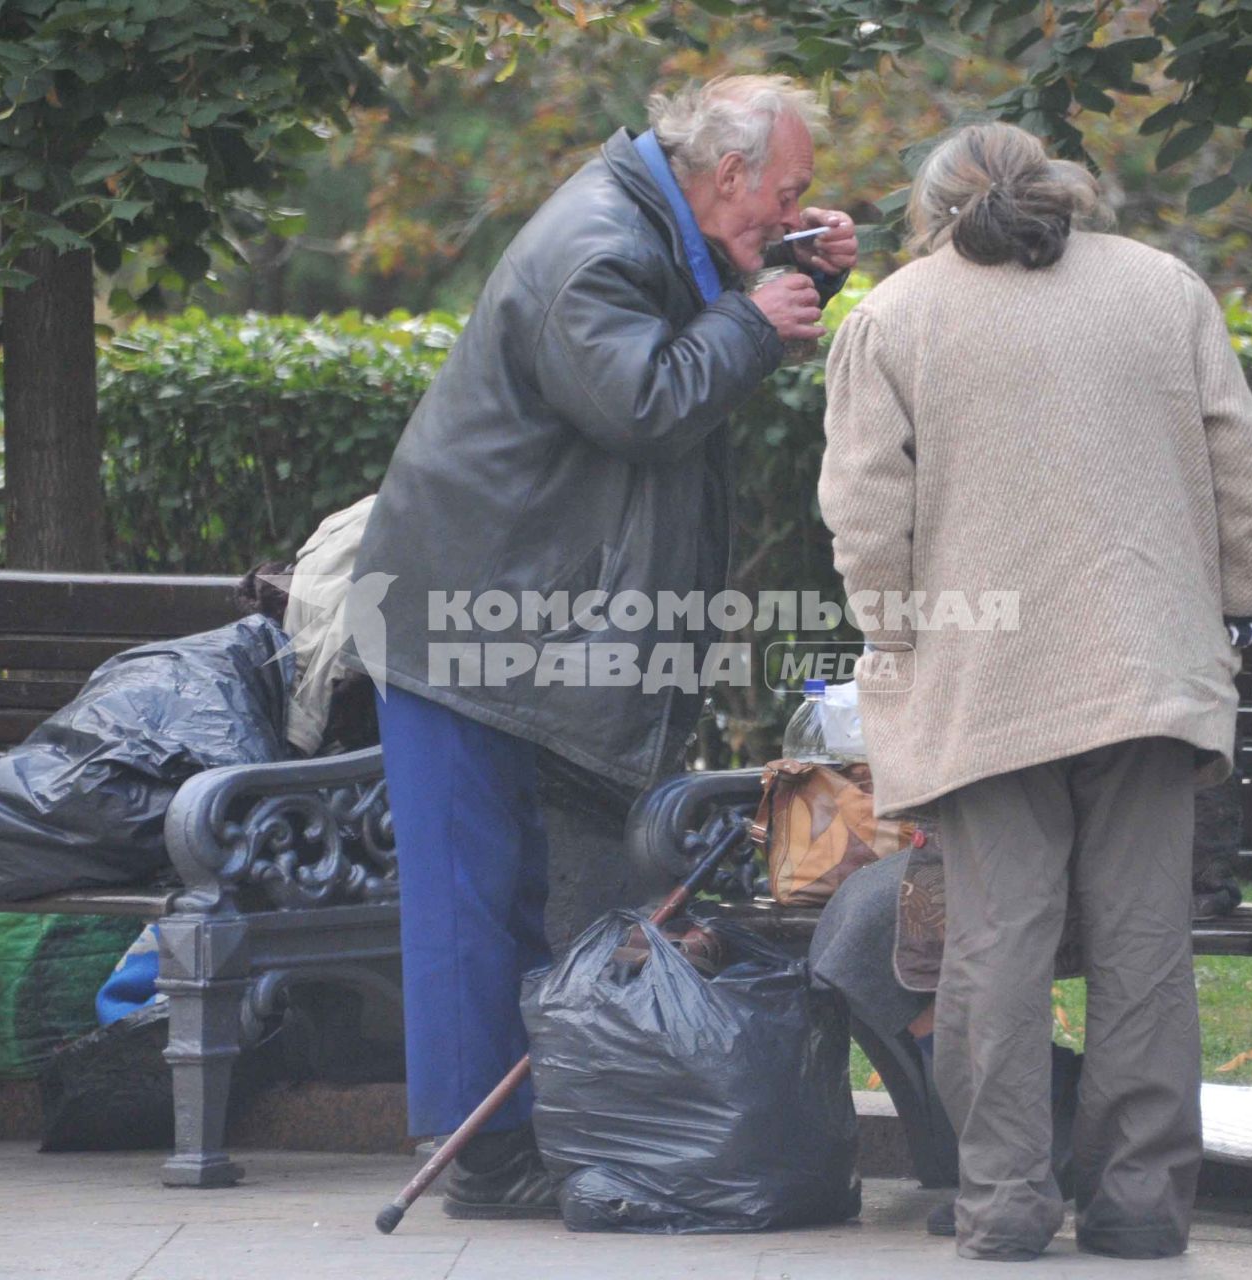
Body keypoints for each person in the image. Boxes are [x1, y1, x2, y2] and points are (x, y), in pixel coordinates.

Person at [349, 76, 858, 1218]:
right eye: (785, 192)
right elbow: (642, 399)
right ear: (724, 173)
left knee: (512, 890)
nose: (790, 209)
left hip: (505, 611)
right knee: (466, 905)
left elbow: (680, 329)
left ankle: (508, 1135)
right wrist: (752, 315)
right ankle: (481, 1155)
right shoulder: (595, 243)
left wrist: (792, 275)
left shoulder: (644, 223)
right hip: (458, 621)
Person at [818, 122, 1252, 1260]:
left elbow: (867, 518)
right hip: (1148, 670)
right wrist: (1226, 610)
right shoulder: (1164, 289)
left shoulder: (895, 314)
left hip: (984, 677)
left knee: (994, 944)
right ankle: (1137, 1205)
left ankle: (1007, 1200)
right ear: (1059, 189)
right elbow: (1248, 476)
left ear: (932, 206)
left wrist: (893, 641)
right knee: (1142, 942)